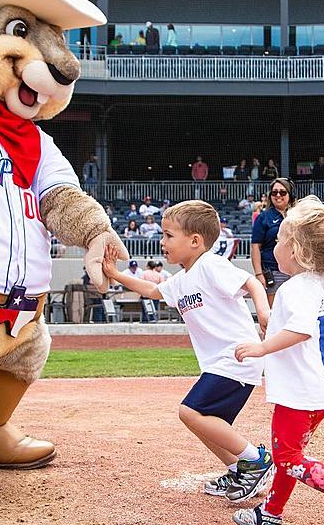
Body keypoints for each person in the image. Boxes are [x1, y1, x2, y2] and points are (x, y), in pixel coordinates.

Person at [103, 200, 274, 502]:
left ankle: (256, 460)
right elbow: (153, 291)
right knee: (201, 420)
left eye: (169, 235)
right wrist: (114, 274)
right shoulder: (182, 280)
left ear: (195, 241)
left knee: (190, 411)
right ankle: (238, 470)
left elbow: (251, 283)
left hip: (237, 356)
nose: (162, 241)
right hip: (219, 363)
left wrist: (263, 311)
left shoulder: (210, 265)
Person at [232, 196, 324, 525]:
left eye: (280, 240)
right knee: (289, 453)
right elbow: (297, 327)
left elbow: (301, 330)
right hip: (319, 391)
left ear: (295, 251)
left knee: (288, 457)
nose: (273, 246)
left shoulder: (294, 288)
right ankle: (269, 514)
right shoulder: (319, 283)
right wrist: (269, 325)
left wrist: (261, 348)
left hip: (299, 392)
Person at [251, 178, 295, 306]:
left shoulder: (298, 215)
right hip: (274, 272)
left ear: (290, 194)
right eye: (274, 192)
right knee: (275, 313)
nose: (278, 195)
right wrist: (259, 274)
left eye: (282, 192)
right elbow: (255, 247)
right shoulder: (263, 217)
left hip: (296, 271)